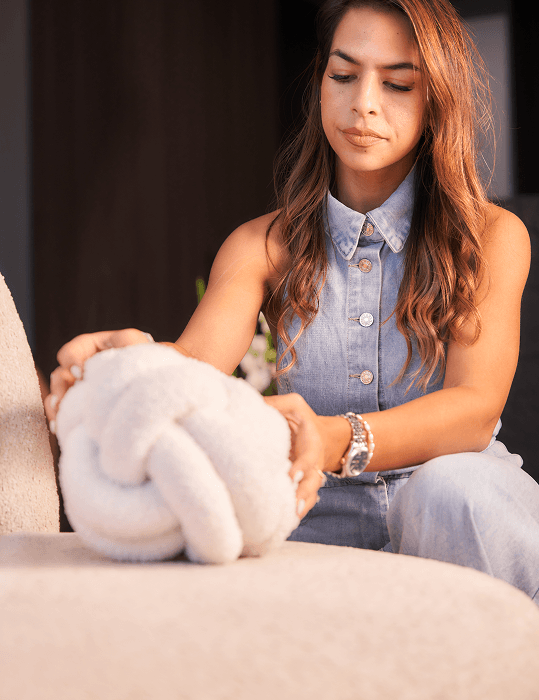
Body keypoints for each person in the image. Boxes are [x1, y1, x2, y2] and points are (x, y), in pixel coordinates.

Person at [46, 0, 539, 603]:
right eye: (344, 74)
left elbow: (475, 409)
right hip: (317, 523)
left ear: (437, 98)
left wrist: (334, 438)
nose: (364, 102)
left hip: (465, 525)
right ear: (320, 84)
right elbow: (195, 367)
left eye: (398, 84)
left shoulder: (490, 236)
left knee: (452, 489)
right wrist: (125, 367)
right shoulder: (259, 246)